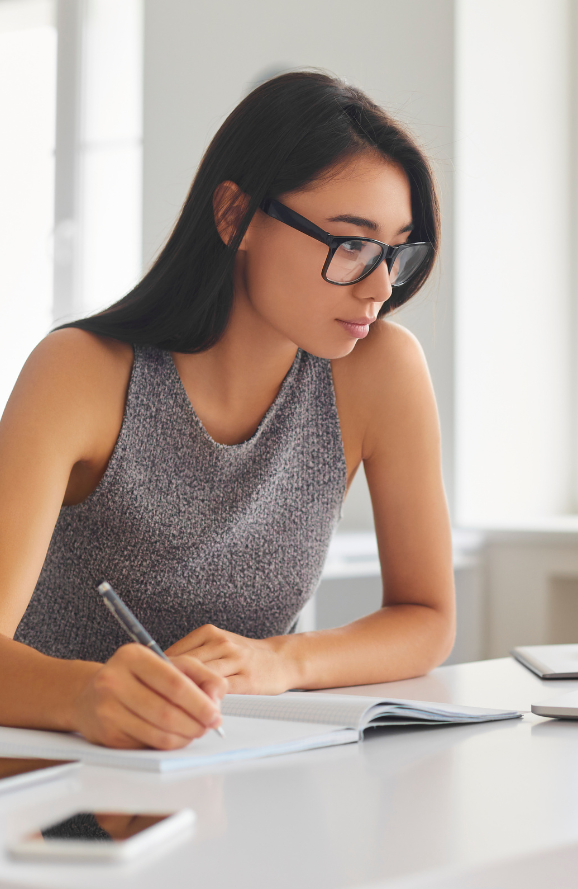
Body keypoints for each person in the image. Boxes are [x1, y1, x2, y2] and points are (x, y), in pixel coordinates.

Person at [0, 72, 455, 750]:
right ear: (235, 215)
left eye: (395, 251)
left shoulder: (380, 370)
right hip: (58, 783)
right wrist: (85, 694)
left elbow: (426, 617)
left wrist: (280, 660)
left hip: (241, 772)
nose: (380, 287)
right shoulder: (80, 372)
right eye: (351, 244)